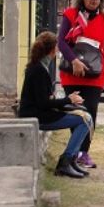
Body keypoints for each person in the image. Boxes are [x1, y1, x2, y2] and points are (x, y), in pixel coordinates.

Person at [18, 31, 92, 178]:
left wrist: (68, 101)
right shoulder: (38, 70)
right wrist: (68, 100)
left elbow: (45, 99)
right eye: (57, 47)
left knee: (85, 116)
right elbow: (44, 103)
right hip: (38, 116)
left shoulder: (38, 66)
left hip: (41, 112)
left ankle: (71, 161)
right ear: (53, 50)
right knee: (84, 120)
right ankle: (65, 163)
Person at [58, 0, 104, 169]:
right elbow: (61, 42)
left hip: (95, 75)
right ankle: (73, 152)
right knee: (76, 113)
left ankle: (84, 153)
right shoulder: (71, 15)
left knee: (90, 114)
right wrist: (74, 60)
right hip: (72, 73)